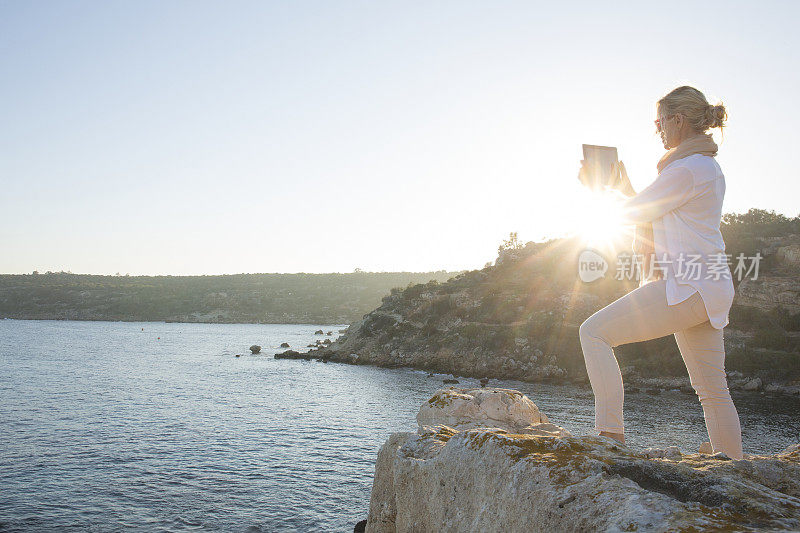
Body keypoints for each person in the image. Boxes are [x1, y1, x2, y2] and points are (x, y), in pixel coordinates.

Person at [576, 85, 743, 459]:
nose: (658, 129)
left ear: (678, 120)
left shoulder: (686, 169)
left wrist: (597, 189)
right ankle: (734, 467)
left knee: (594, 333)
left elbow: (635, 213)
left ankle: (610, 437)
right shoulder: (702, 166)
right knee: (713, 391)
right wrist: (621, 188)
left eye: (660, 120)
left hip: (685, 284)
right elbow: (653, 208)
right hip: (707, 286)